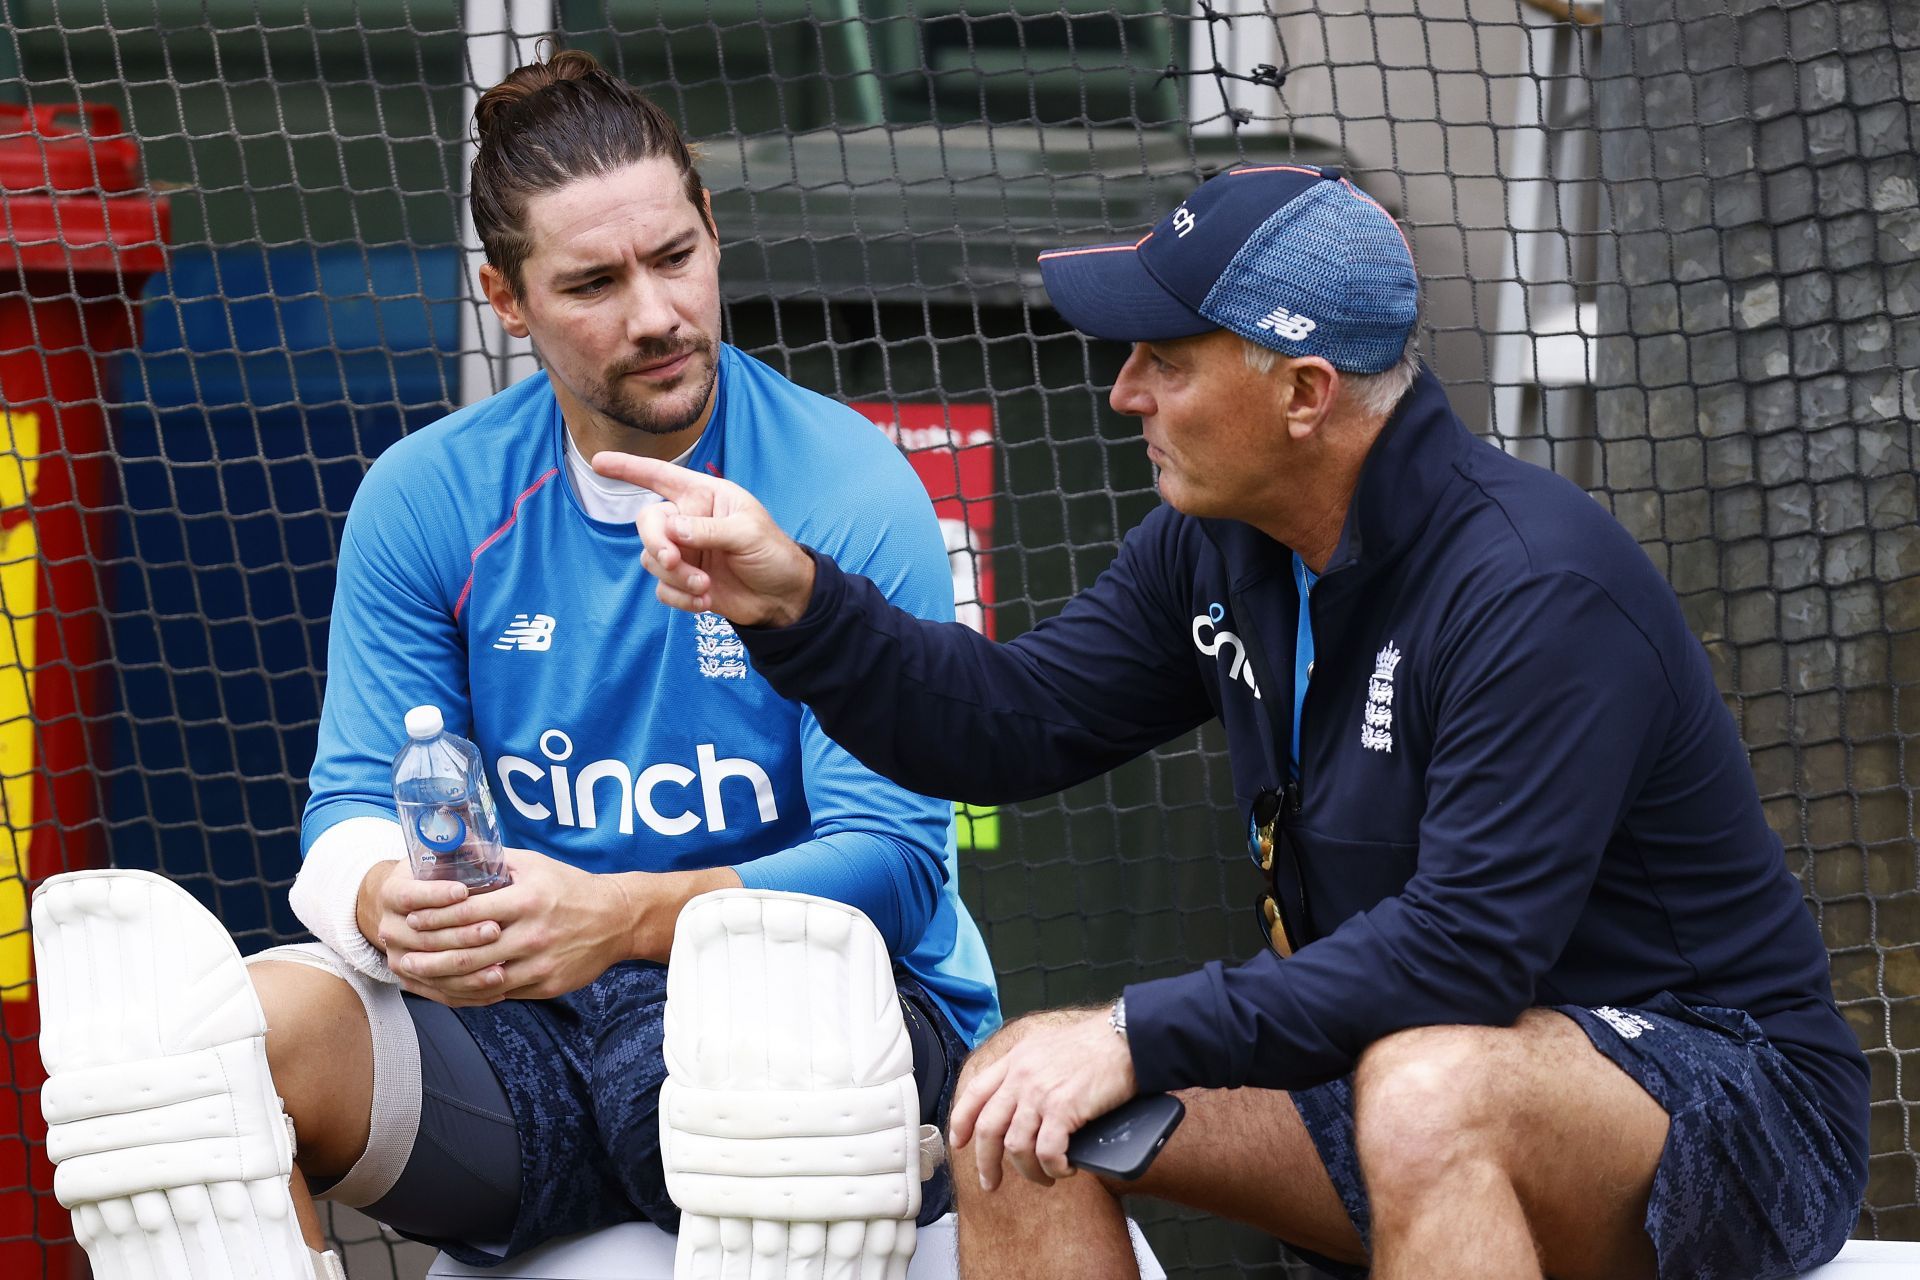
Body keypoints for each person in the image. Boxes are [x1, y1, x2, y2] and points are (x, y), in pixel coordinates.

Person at [596, 163, 1870, 1280]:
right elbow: (1008, 721)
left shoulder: (1533, 587)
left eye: (1168, 356)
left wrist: (1135, 1029)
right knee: (1013, 1110)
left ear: (1305, 392)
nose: (1124, 390)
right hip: (1403, 1066)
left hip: (1731, 1104)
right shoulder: (1214, 546)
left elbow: (1464, 955)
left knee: (1429, 1088)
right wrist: (799, 605)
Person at [32, 50, 998, 1280]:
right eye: (593, 281)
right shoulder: (428, 494)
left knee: (768, 1024)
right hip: (520, 1030)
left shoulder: (849, 484)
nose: (655, 314)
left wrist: (619, 917)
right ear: (506, 295)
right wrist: (388, 902)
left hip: (812, 1040)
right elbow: (345, 812)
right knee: (186, 1062)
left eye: (676, 258)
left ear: (712, 230)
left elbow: (898, 866)